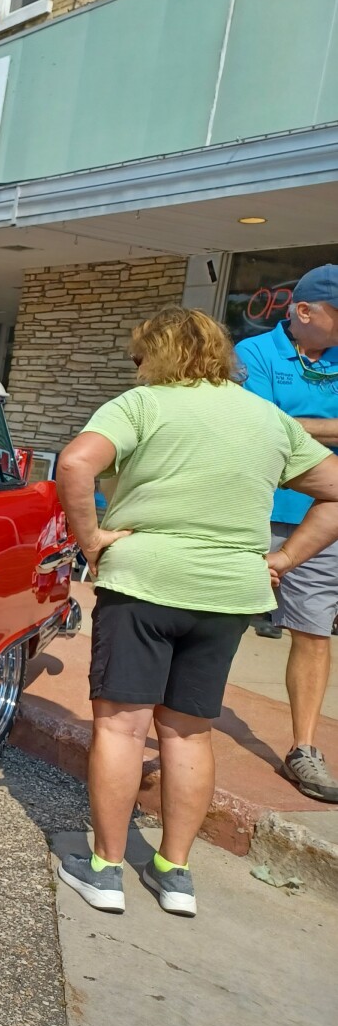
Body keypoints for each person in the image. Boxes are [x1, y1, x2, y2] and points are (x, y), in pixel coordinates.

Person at [55, 307, 338, 917]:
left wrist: (91, 540)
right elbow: (335, 489)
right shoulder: (267, 417)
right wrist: (284, 558)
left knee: (122, 726)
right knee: (188, 730)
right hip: (230, 592)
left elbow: (76, 463)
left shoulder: (140, 406)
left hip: (145, 581)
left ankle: (105, 869)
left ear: (152, 356)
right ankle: (175, 873)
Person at [235, 264, 338, 802]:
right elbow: (250, 421)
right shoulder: (252, 355)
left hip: (323, 517)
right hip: (248, 511)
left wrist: (289, 421)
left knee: (313, 630)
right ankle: (183, 729)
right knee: (218, 622)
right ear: (302, 312)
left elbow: (274, 423)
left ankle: (303, 748)